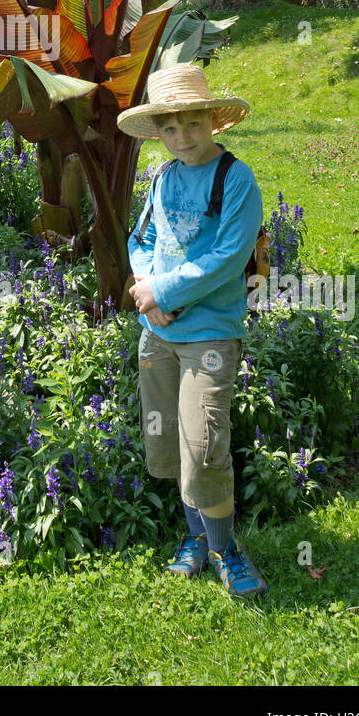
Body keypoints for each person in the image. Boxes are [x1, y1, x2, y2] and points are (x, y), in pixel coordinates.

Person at [117, 62, 268, 599]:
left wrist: (167, 293)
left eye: (192, 124)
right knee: (170, 441)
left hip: (207, 333)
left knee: (204, 443)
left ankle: (227, 548)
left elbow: (230, 258)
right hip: (157, 332)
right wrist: (146, 291)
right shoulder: (162, 179)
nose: (182, 137)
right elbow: (142, 239)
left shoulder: (236, 179)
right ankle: (196, 538)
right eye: (170, 128)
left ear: (213, 122)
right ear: (158, 133)